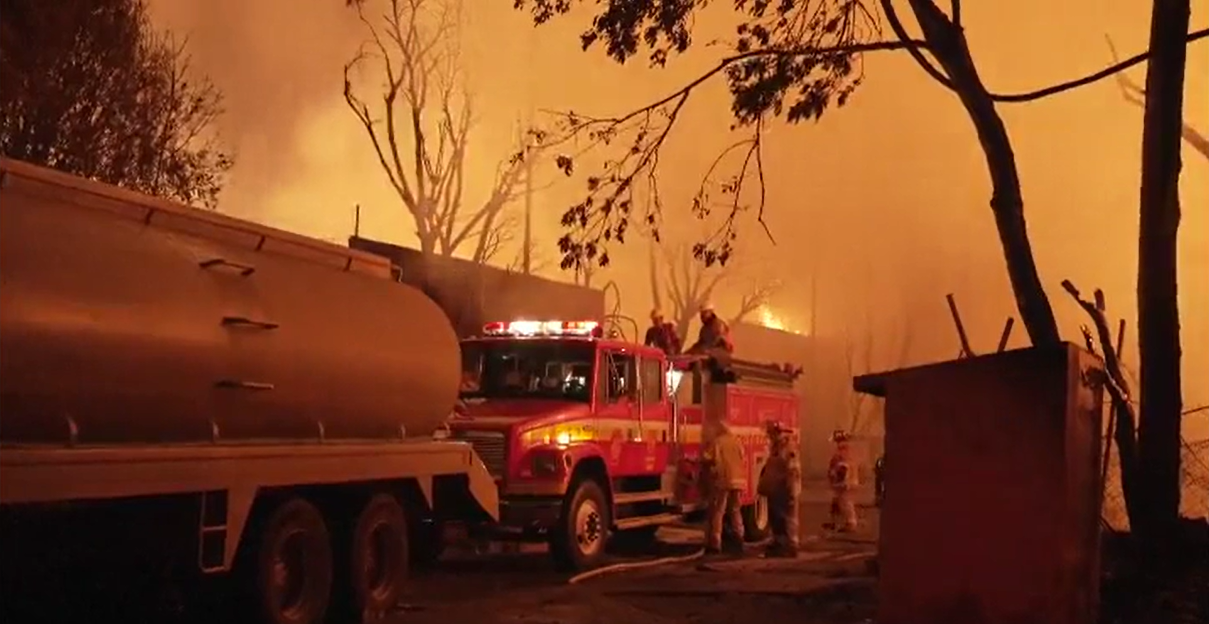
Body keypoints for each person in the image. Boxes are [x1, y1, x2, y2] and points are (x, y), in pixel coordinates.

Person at [701, 419, 746, 555]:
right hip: (739, 481)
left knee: (718, 512)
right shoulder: (737, 441)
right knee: (735, 511)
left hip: (723, 481)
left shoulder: (718, 442)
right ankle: (739, 539)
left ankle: (715, 544)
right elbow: (742, 457)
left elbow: (708, 457)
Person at [758, 421, 801, 557]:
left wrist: (790, 488)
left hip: (785, 489)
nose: (768, 436)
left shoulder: (787, 448)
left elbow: (792, 469)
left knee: (786, 518)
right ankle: (779, 544)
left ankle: (789, 546)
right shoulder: (776, 447)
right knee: (776, 518)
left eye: (770, 433)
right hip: (776, 490)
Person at [825, 429, 859, 533]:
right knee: (836, 503)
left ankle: (850, 523)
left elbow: (843, 467)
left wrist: (839, 478)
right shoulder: (845, 450)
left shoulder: (843, 451)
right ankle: (834, 522)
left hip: (844, 482)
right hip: (842, 481)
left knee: (845, 503)